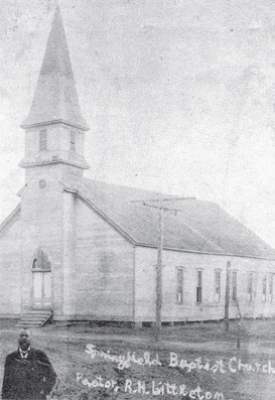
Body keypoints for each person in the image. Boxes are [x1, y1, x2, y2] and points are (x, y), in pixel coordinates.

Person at [2, 328, 57, 400]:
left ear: (31, 339)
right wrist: (5, 397)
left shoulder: (39, 355)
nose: (24, 338)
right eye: (21, 335)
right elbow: (6, 381)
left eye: (26, 336)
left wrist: (44, 391)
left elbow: (52, 375)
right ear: (18, 339)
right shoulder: (11, 357)